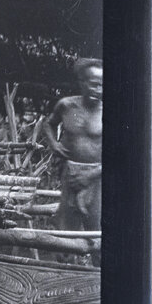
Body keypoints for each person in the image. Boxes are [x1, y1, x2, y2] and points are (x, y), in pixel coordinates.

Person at [39, 58, 103, 231]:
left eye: (102, 85)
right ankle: (67, 258)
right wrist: (53, 144)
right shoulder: (66, 105)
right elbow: (48, 124)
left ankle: (96, 259)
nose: (99, 90)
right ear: (82, 83)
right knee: (67, 230)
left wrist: (89, 176)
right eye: (94, 84)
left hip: (97, 177)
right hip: (71, 173)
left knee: (97, 232)